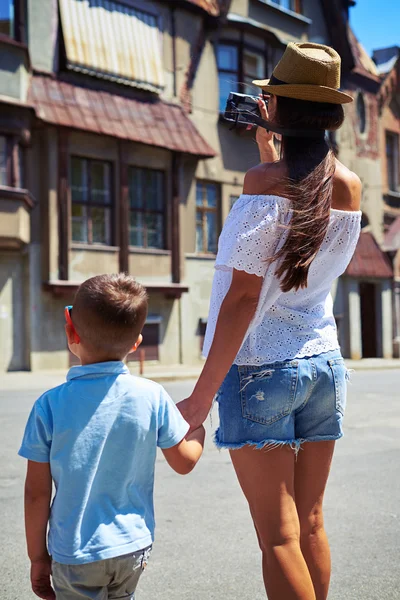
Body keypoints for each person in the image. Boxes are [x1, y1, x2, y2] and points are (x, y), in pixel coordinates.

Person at [178, 42, 361, 600]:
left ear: (276, 108)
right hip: (323, 366)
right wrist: (275, 149)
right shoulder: (350, 186)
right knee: (309, 526)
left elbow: (242, 300)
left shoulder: (261, 184)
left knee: (278, 539)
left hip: (262, 368)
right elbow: (304, 238)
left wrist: (198, 401)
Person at [19, 274, 205, 600]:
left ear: (70, 330)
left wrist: (38, 557)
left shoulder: (49, 405)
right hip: (132, 548)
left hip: (75, 553)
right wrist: (198, 430)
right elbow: (185, 462)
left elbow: (36, 494)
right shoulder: (152, 395)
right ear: (136, 343)